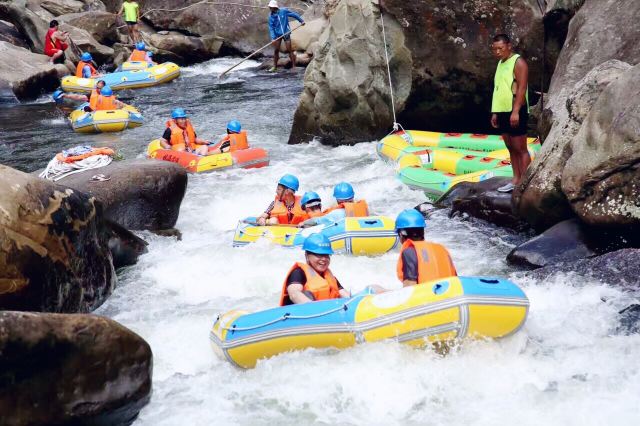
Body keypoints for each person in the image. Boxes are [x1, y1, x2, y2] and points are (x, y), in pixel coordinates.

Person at [490, 33, 531, 193]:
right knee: (510, 147)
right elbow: (498, 88)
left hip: (516, 110)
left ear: (509, 46)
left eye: (500, 48)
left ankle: (525, 182)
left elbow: (522, 87)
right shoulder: (500, 63)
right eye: (495, 49)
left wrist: (516, 111)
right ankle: (515, 179)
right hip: (502, 110)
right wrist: (495, 112)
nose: (497, 52)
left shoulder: (518, 62)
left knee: (520, 148)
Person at [279, 233, 350, 305]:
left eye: (326, 255)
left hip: (326, 310)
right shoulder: (298, 273)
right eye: (319, 255)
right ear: (307, 256)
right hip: (307, 310)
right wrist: (315, 308)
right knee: (307, 294)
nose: (324, 259)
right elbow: (294, 294)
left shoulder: (330, 277)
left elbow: (347, 297)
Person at [395, 209, 457, 287]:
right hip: (450, 292)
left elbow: (409, 287)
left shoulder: (409, 252)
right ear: (422, 231)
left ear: (401, 234)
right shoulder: (442, 249)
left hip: (426, 294)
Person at [160, 108, 228, 156]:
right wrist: (167, 146)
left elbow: (194, 139)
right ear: (175, 121)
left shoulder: (188, 127)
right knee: (181, 149)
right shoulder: (170, 130)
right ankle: (215, 153)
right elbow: (162, 140)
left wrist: (203, 141)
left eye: (184, 118)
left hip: (192, 150)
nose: (183, 121)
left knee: (204, 147)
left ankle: (206, 156)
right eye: (181, 119)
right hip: (180, 151)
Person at [267, 0, 305, 72]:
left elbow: (293, 14)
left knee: (289, 50)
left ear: (275, 7)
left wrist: (301, 21)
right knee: (276, 50)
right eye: (270, 7)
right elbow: (271, 28)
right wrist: (273, 38)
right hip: (277, 35)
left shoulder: (283, 11)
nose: (270, 8)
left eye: (271, 7)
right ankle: (275, 67)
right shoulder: (271, 17)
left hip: (286, 33)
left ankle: (294, 66)